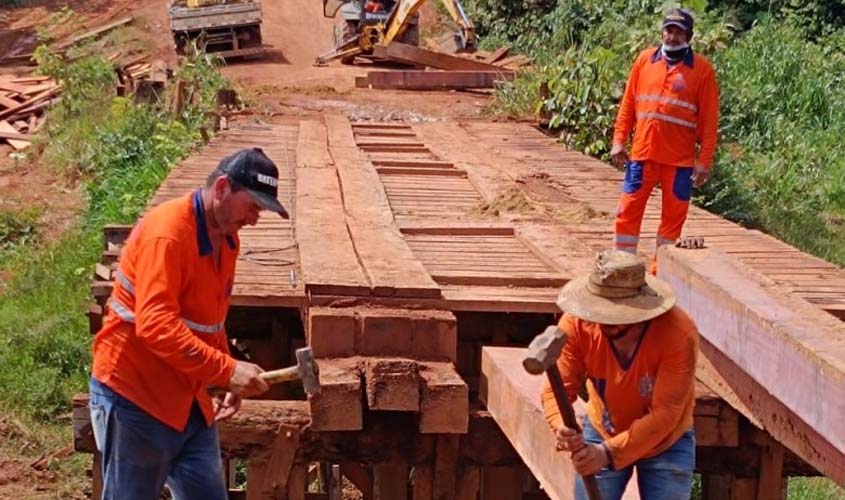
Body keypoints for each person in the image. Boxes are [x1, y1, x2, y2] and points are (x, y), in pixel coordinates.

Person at [89, 148, 290, 500]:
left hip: (190, 401)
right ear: (223, 188)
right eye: (253, 206)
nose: (254, 219)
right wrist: (227, 370)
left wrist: (225, 372)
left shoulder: (226, 239)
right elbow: (155, 325)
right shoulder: (168, 235)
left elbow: (210, 319)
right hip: (136, 396)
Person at [541, 250, 699, 499]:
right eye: (600, 311)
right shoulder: (576, 324)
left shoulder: (677, 333)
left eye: (616, 314)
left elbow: (666, 414)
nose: (605, 321)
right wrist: (562, 427)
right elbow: (556, 389)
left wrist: (606, 454)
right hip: (603, 427)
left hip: (666, 441)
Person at [610, 8, 719, 267]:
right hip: (643, 155)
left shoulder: (702, 70)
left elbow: (709, 121)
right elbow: (628, 105)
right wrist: (618, 141)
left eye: (678, 32)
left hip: (679, 163)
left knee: (672, 224)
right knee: (626, 213)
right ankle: (622, 268)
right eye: (669, 30)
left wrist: (704, 161)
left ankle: (661, 274)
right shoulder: (644, 61)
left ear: (688, 36)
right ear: (662, 32)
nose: (672, 36)